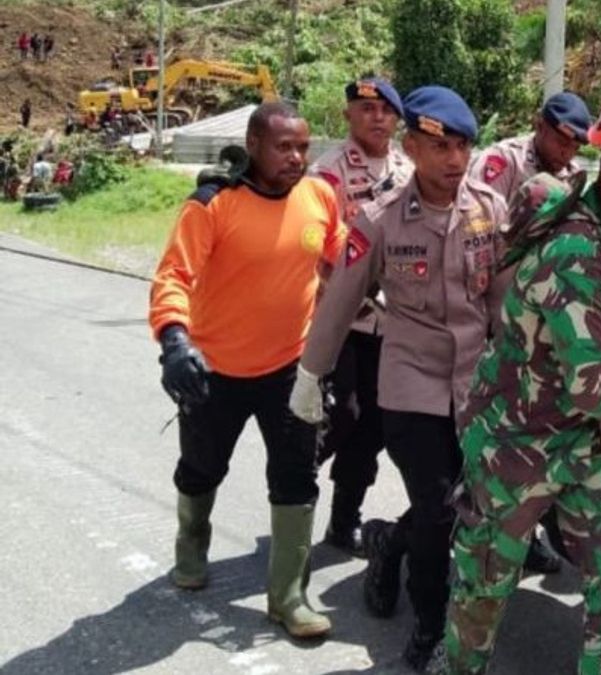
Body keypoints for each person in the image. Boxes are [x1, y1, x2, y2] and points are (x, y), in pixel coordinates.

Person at [439, 91, 601, 675]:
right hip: (517, 440)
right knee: (484, 586)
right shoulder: (577, 251)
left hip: (586, 445)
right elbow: (593, 386)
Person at [289, 85, 506, 670]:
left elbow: (503, 305)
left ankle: (388, 543)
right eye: (441, 148)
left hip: (475, 384)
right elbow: (340, 302)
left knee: (473, 503)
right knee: (437, 509)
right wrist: (311, 376)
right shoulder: (380, 220)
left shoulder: (489, 208)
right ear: (413, 145)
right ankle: (432, 623)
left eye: (463, 147)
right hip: (411, 382)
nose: (455, 161)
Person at [147, 101, 343, 639]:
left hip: (291, 370)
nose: (297, 157)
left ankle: (287, 597)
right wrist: (174, 340)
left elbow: (342, 258)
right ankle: (192, 545)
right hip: (216, 371)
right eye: (284, 147)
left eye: (303, 146)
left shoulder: (319, 196)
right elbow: (172, 277)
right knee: (202, 467)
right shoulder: (213, 205)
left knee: (296, 477)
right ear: (253, 145)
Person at [466, 89, 593, 575]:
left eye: (577, 144)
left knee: (536, 448)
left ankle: (526, 534)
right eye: (562, 139)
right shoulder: (501, 162)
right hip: (492, 316)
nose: (568, 151)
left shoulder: (572, 177)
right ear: (539, 124)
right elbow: (481, 238)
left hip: (538, 330)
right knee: (489, 449)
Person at [307, 76, 411, 557]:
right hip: (343, 320)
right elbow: (316, 249)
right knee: (340, 414)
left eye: (385, 110)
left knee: (373, 424)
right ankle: (295, 483)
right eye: (365, 109)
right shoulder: (327, 174)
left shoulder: (409, 170)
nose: (377, 118)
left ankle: (343, 519)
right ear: (349, 114)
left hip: (391, 325)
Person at [468, 90, 591, 203]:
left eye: (575, 148)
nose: (567, 154)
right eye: (562, 143)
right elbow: (479, 217)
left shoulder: (572, 175)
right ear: (539, 126)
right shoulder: (507, 160)